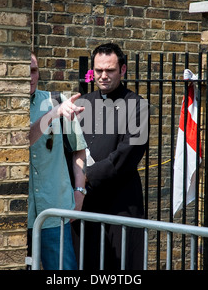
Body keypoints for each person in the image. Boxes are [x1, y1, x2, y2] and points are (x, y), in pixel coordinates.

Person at [72, 43, 149, 270]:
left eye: (110, 70)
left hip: (120, 203)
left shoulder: (137, 105)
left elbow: (128, 153)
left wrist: (86, 175)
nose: (103, 76)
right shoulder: (83, 104)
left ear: (122, 70)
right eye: (98, 71)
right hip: (86, 202)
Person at [28, 51, 87, 270]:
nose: (30, 77)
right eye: (25, 72)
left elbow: (79, 152)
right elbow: (24, 140)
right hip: (17, 217)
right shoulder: (6, 109)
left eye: (34, 71)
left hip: (54, 214)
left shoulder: (56, 101)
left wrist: (79, 191)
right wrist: (53, 114)